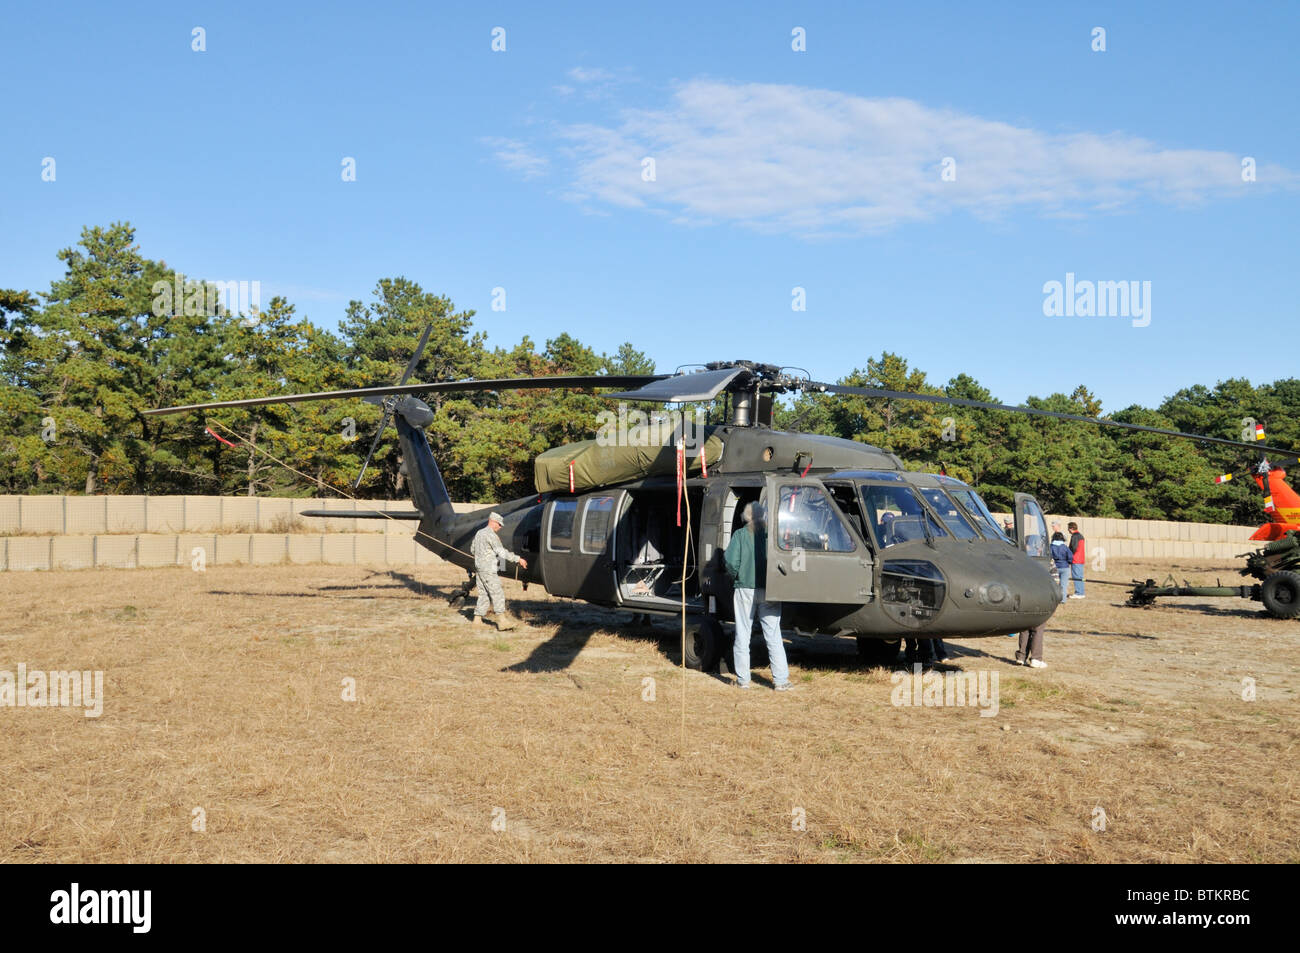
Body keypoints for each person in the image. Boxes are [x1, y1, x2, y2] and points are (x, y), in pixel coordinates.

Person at [724, 503, 792, 691]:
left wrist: (736, 575)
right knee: (773, 635)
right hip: (770, 589)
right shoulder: (772, 535)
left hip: (745, 588)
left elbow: (730, 561)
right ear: (764, 516)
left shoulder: (739, 534)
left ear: (745, 517)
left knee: (743, 634)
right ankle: (781, 681)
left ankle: (743, 681)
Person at [471, 511, 528, 629]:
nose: (500, 527)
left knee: (484, 594)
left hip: (480, 568)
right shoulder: (491, 535)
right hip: (488, 569)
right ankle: (502, 621)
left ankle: (477, 620)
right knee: (497, 593)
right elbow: (501, 552)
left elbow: (472, 549)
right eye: (499, 524)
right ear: (493, 522)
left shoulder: (479, 533)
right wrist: (518, 559)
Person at [1050, 530, 1072, 602]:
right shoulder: (1064, 547)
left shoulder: (1051, 546)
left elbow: (1049, 556)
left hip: (1054, 567)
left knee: (1053, 584)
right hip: (1065, 567)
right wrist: (1068, 562)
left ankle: (1054, 599)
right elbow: (1070, 557)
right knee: (1064, 585)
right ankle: (1063, 599)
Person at [1067, 521, 1086, 599]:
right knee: (1080, 576)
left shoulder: (1074, 536)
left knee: (1076, 576)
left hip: (1076, 559)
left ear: (1071, 528)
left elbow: (1073, 548)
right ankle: (1081, 592)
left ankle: (1078, 593)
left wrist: (1069, 555)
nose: (1068, 530)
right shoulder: (1081, 535)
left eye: (1068, 528)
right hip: (1081, 559)